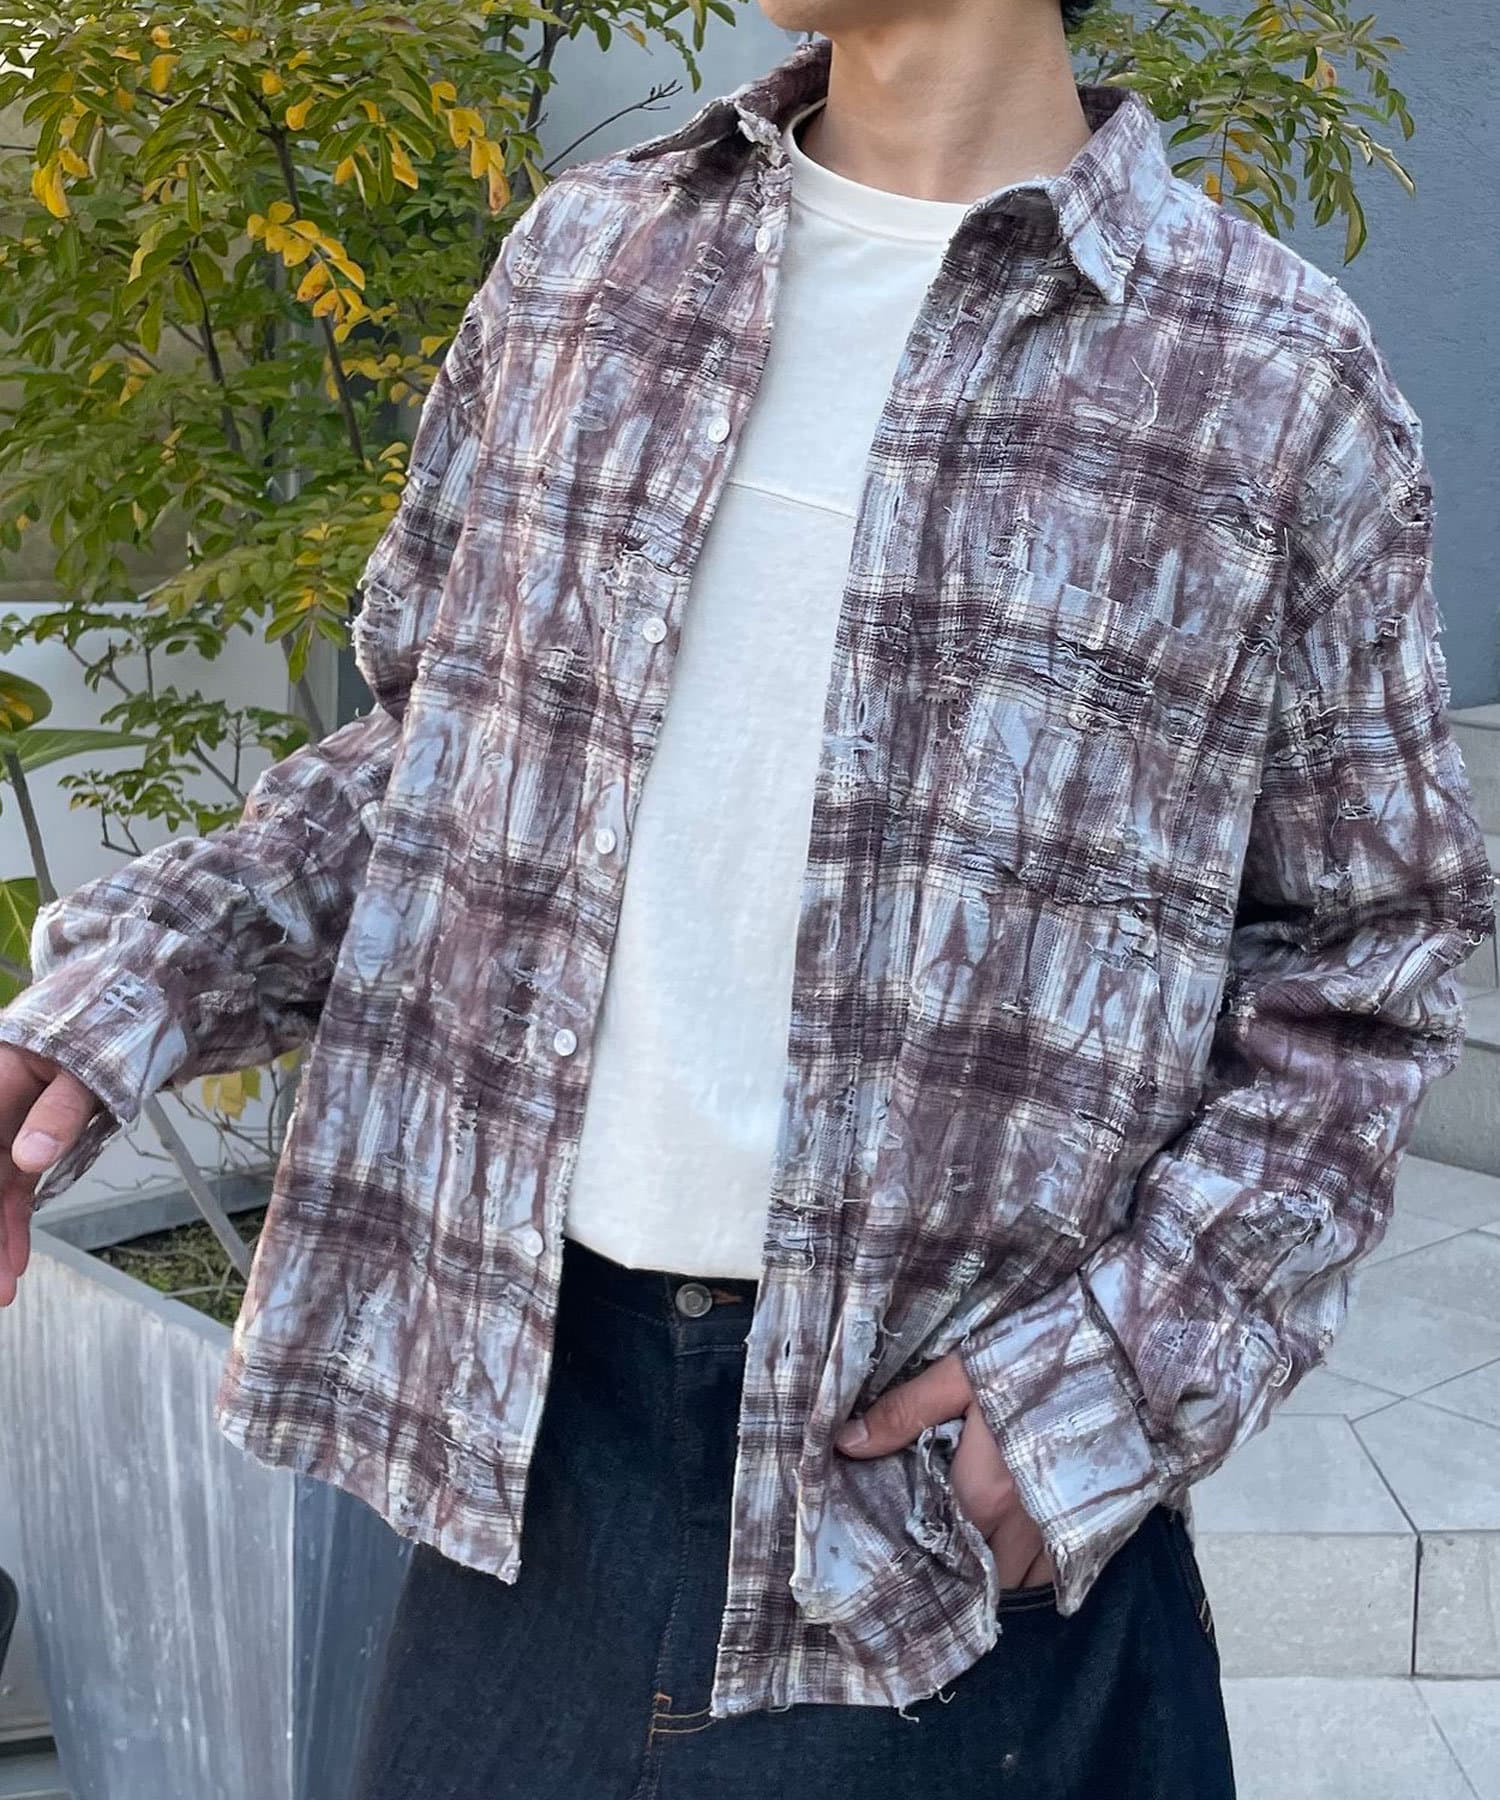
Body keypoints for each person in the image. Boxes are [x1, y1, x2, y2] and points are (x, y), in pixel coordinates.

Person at [1, 4, 1493, 1795]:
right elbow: (435, 762)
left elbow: (1370, 955)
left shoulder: (1266, 373)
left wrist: (1120, 1370)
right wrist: (120, 999)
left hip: (936, 1523)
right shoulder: (589, 264)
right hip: (534, 1447)